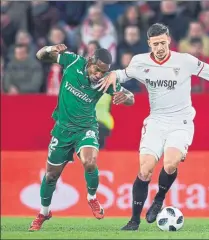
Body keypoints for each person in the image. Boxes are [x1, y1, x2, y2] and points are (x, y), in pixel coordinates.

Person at [98, 23, 209, 231]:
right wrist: (113, 74)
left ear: (168, 40)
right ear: (149, 43)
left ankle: (159, 199)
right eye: (155, 44)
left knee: (170, 164)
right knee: (145, 169)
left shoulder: (184, 61)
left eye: (162, 42)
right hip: (156, 121)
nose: (159, 47)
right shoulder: (140, 61)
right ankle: (134, 220)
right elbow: (123, 74)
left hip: (181, 122)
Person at [28, 45, 134, 231]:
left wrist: (122, 96)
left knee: (90, 161)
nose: (100, 74)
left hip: (86, 128)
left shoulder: (106, 81)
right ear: (90, 61)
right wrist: (52, 48)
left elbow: (131, 98)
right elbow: (40, 54)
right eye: (97, 69)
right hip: (62, 130)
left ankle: (92, 198)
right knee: (51, 175)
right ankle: (44, 212)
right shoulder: (73, 61)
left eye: (104, 72)